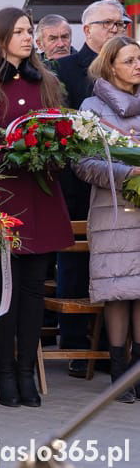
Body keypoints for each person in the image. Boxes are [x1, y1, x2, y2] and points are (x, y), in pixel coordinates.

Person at [0, 7, 74, 408]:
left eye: (30, 31)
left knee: (33, 292)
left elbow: (62, 132)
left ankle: (27, 372)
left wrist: (52, 148)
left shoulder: (49, 83)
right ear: (1, 36)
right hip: (3, 199)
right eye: (20, 31)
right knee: (3, 291)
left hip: (40, 196)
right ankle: (4, 372)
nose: (28, 37)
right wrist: (6, 152)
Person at [55, 0, 129, 377]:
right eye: (109, 24)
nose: (117, 29)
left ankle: (111, 348)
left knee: (122, 274)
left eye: (122, 24)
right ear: (88, 30)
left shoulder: (132, 69)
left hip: (128, 198)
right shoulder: (66, 69)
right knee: (75, 268)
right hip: (78, 188)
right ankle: (77, 346)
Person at [73, 35, 140, 403]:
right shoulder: (91, 107)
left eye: (139, 59)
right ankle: (118, 374)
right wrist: (125, 174)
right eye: (129, 60)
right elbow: (82, 163)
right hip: (112, 208)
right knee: (118, 289)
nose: (137, 66)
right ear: (110, 64)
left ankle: (138, 373)